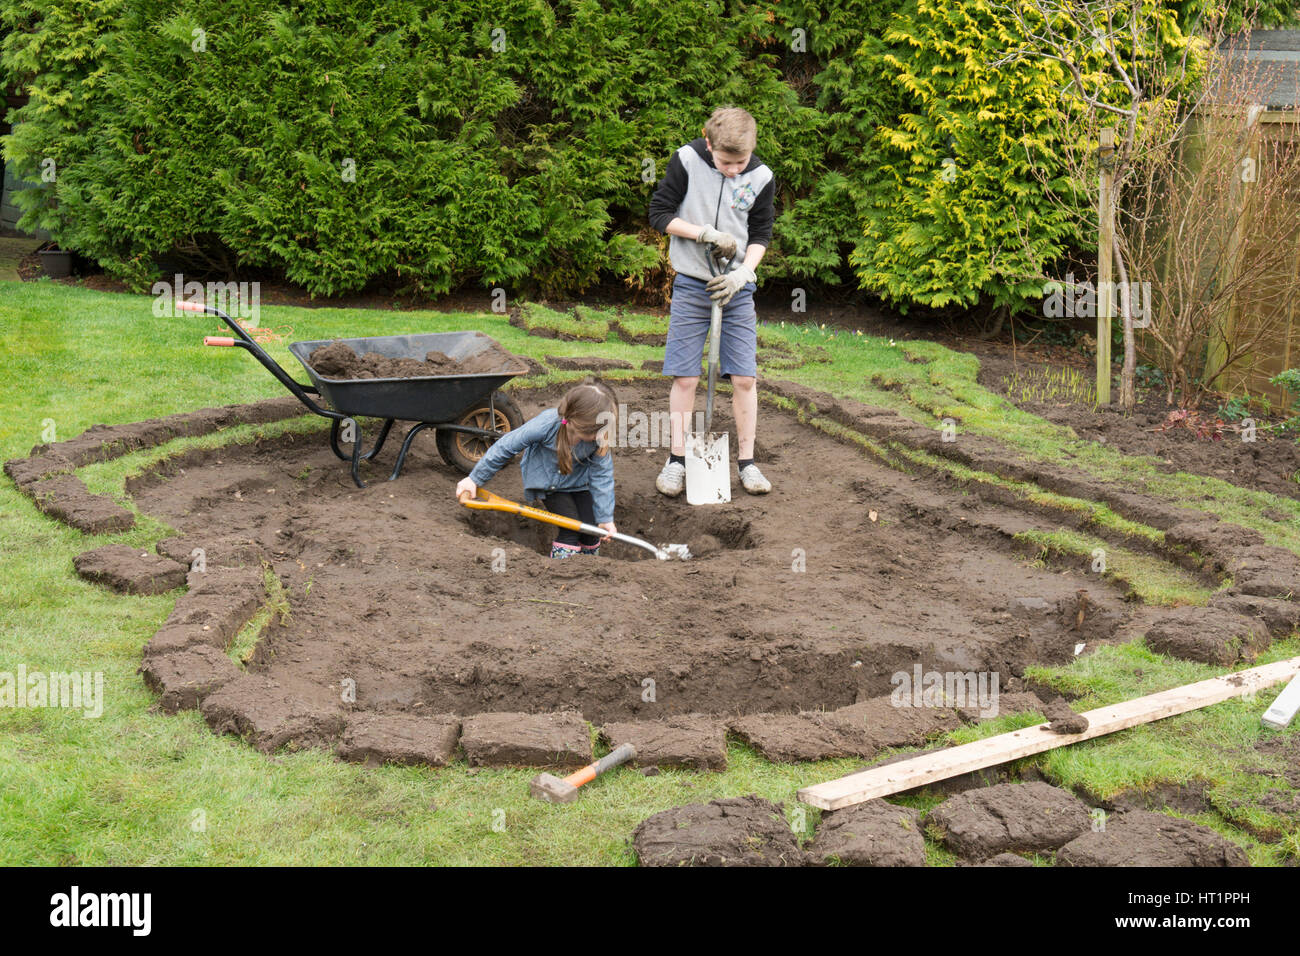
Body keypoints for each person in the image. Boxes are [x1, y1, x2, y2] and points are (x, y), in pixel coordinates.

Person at [648, 105, 775, 497]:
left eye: (741, 162)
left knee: (744, 378)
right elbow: (659, 213)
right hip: (692, 284)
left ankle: (747, 463)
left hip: (737, 290)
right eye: (725, 162)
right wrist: (703, 233)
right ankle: (677, 461)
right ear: (708, 142)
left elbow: (761, 233)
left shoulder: (762, 176)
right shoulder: (686, 160)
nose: (734, 170)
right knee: (685, 376)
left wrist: (742, 274)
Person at [455, 381, 618, 558]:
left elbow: (602, 475)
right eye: (596, 432)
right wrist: (474, 479)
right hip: (550, 485)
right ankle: (563, 573)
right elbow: (506, 447)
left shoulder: (600, 438)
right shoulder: (546, 425)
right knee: (571, 528)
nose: (600, 436)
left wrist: (606, 518)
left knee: (591, 530)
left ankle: (590, 570)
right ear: (576, 422)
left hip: (580, 483)